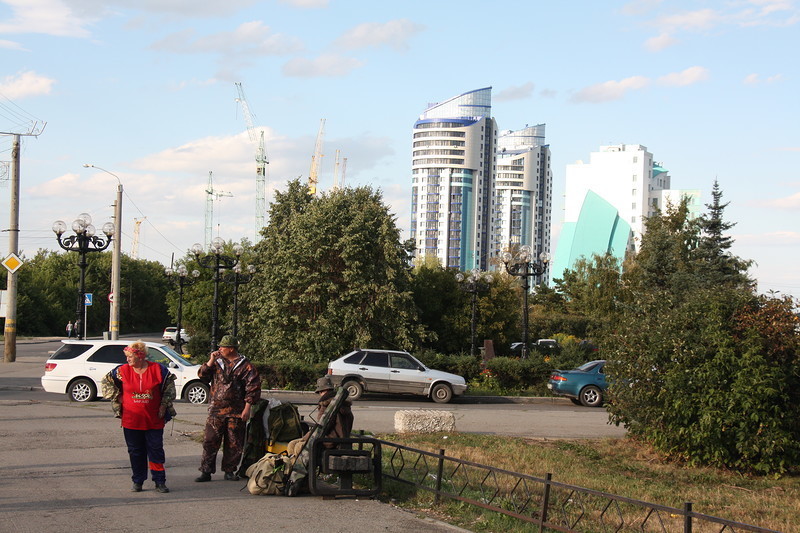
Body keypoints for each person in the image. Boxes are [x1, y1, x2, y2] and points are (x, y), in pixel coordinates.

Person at [101, 340, 176, 493]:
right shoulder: (121, 371)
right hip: (131, 420)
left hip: (153, 420)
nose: (127, 359)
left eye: (130, 356)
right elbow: (106, 383)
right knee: (136, 451)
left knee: (155, 450)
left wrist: (163, 404)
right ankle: (138, 480)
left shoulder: (158, 370)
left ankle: (159, 481)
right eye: (127, 356)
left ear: (140, 356)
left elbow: (169, 388)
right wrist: (118, 397)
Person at [196, 335, 261, 482]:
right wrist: (211, 360)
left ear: (231, 349)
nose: (220, 349)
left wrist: (247, 408)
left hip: (236, 411)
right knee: (210, 440)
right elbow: (202, 375)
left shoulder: (246, 365)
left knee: (234, 442)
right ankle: (206, 471)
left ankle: (230, 470)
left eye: (223, 347)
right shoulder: (217, 362)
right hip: (216, 410)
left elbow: (253, 388)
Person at [287, 376, 354, 456]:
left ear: (324, 390)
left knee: (298, 446)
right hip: (341, 441)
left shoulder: (327, 405)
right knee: (293, 443)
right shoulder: (344, 405)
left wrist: (305, 438)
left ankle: (295, 467)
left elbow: (322, 428)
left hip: (329, 442)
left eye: (320, 392)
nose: (320, 394)